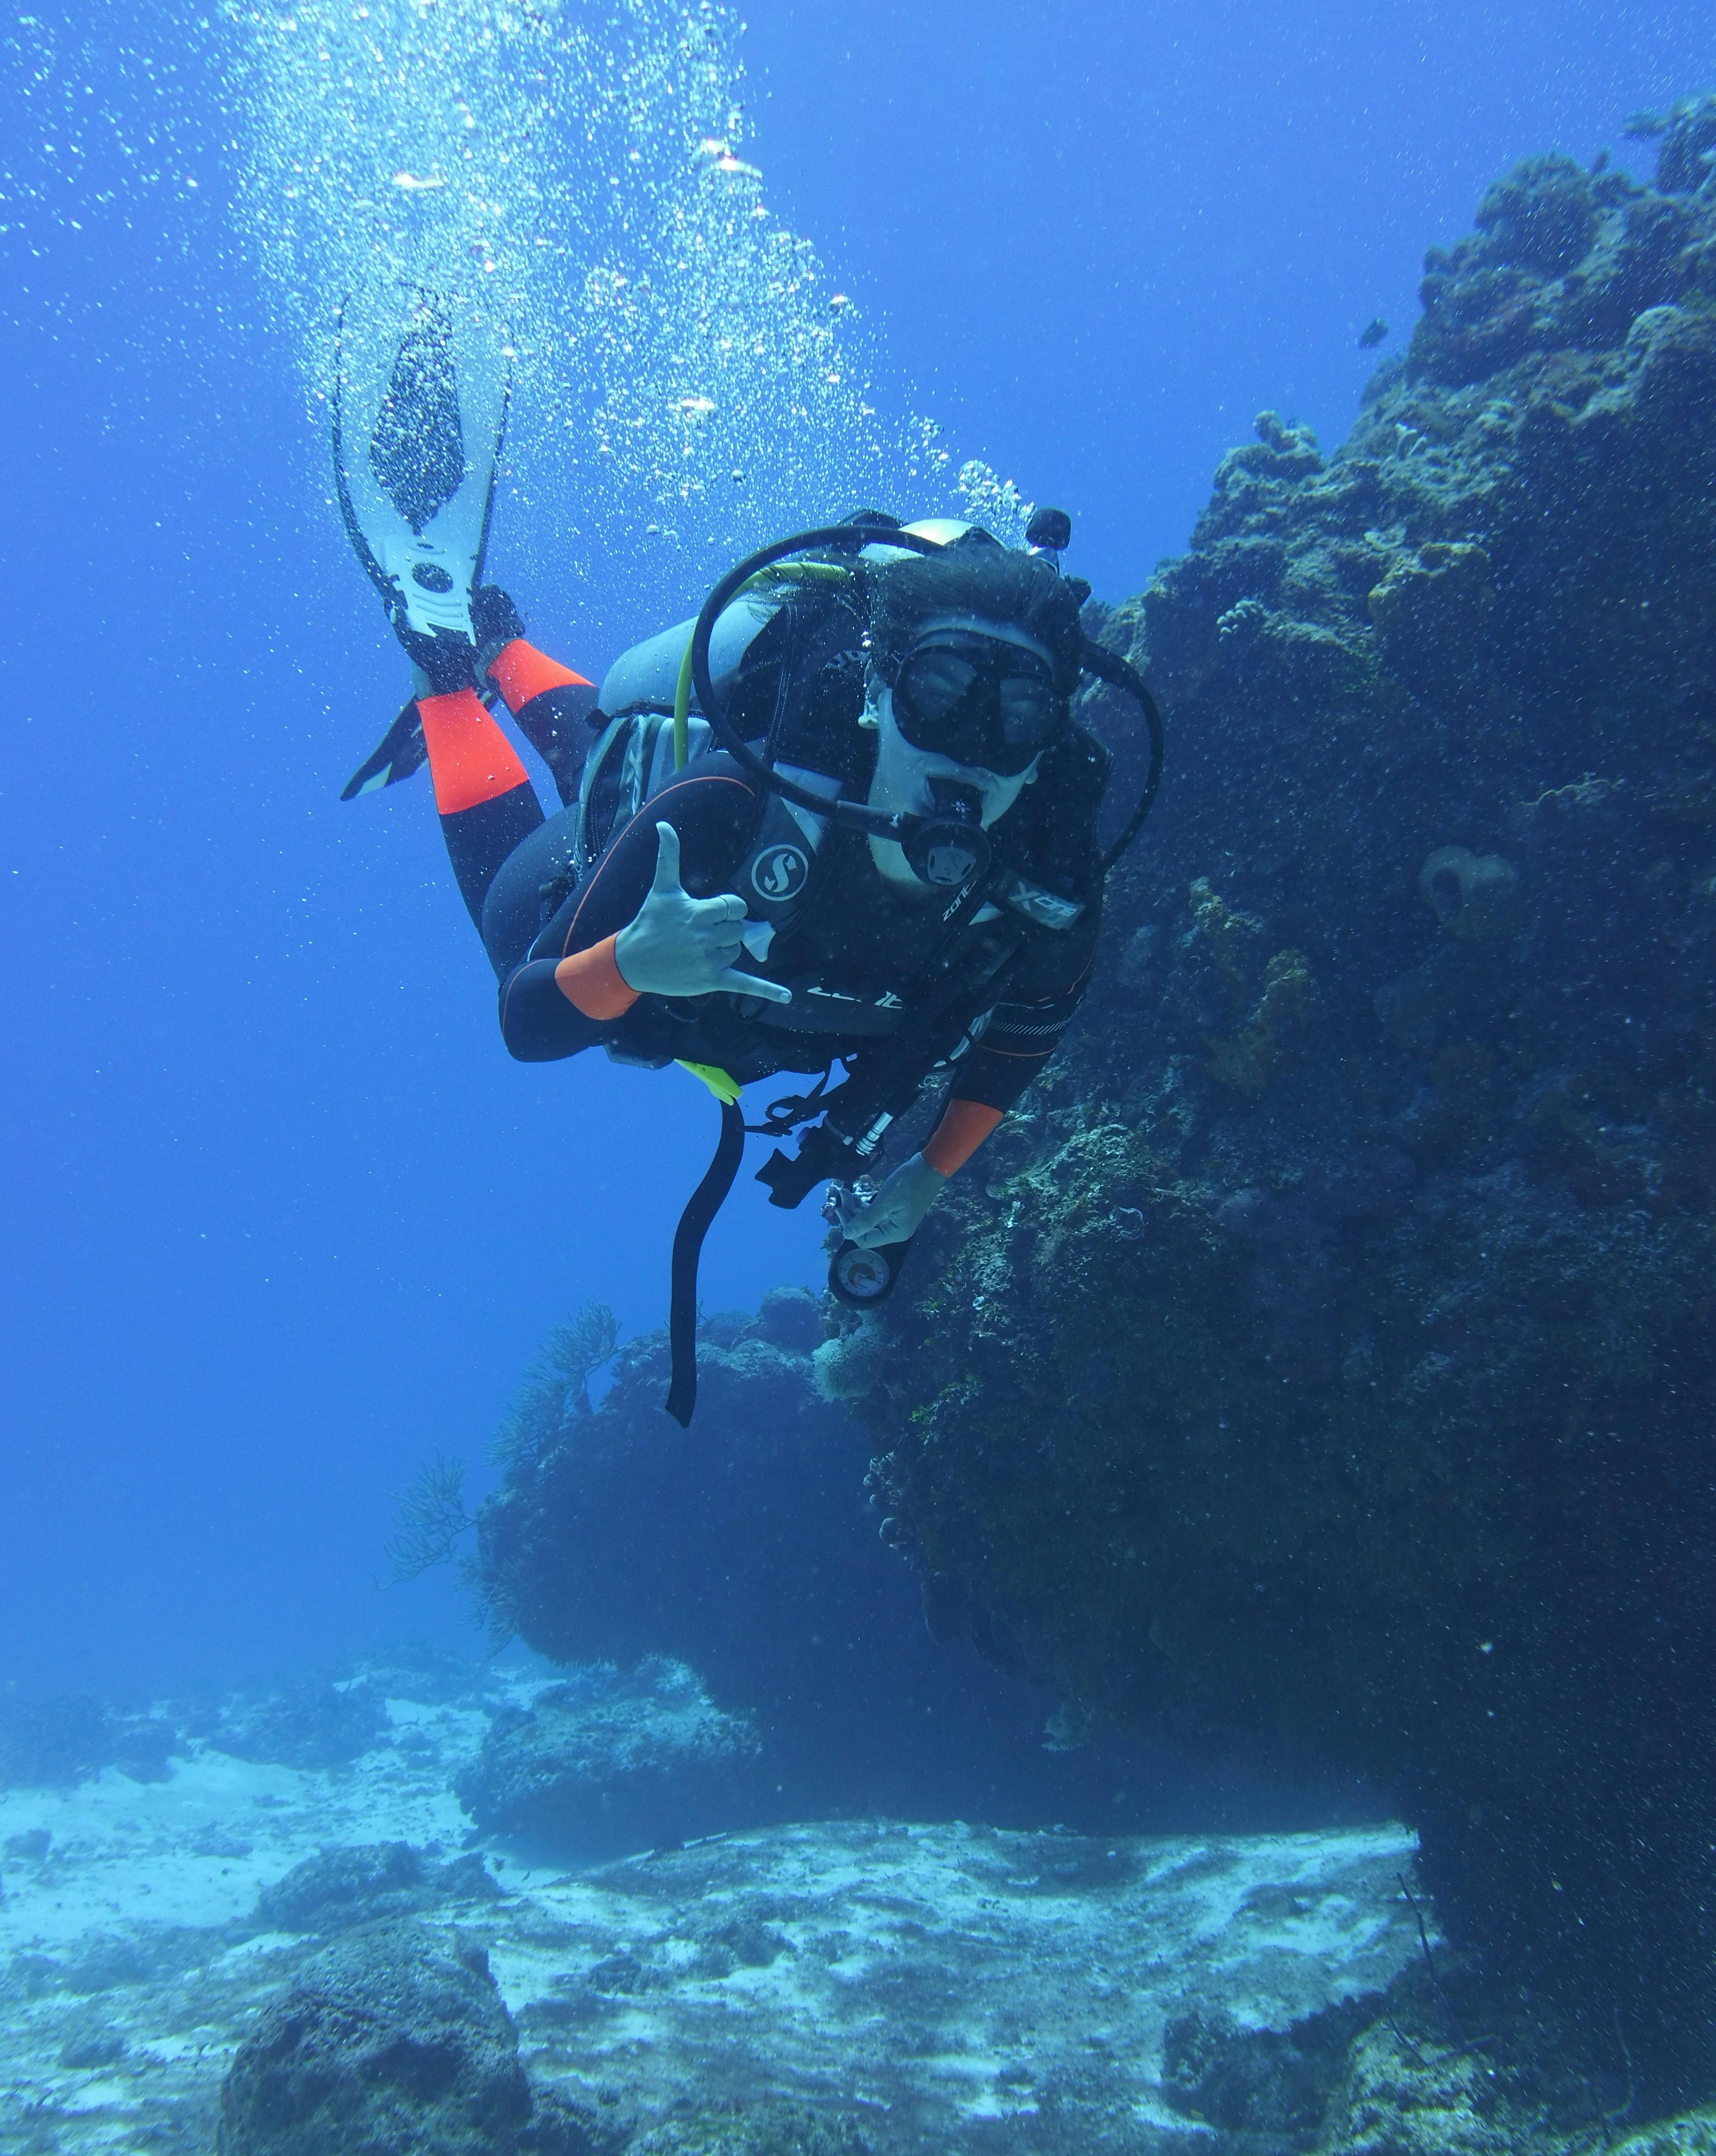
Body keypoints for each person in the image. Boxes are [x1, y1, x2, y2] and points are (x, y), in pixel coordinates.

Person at [335, 306, 1160, 1416]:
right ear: (877, 689)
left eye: (1012, 713)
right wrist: (628, 958)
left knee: (594, 758)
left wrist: (928, 1178)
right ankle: (448, 667)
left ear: (1051, 738)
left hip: (740, 1004)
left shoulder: (1045, 881)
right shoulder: (735, 803)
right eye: (940, 691)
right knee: (522, 891)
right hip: (635, 930)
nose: (968, 749)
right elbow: (530, 1022)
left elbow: (1026, 1032)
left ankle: (503, 640)